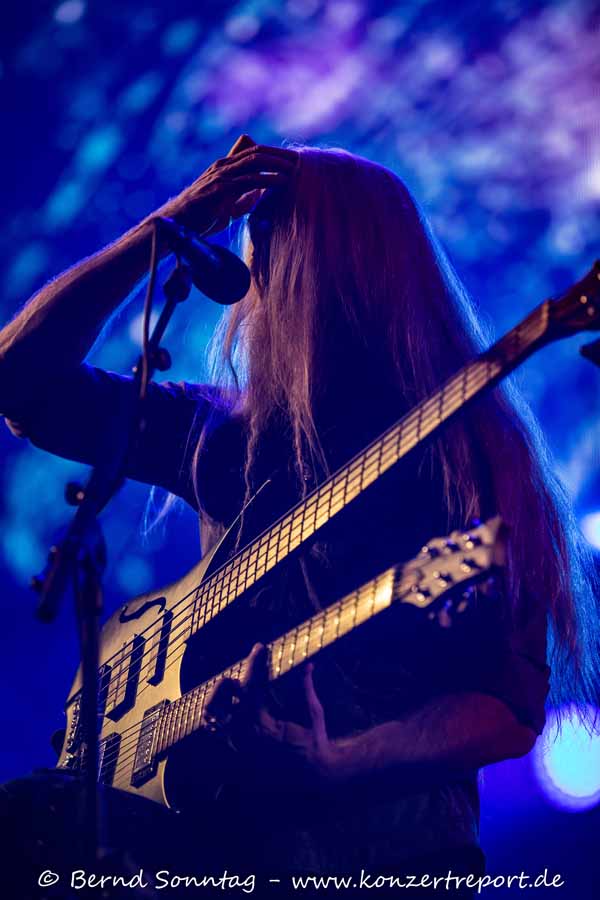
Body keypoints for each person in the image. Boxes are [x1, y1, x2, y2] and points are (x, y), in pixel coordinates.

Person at [0, 134, 598, 898]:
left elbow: (507, 709)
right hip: (214, 837)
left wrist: (336, 764)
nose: (257, 285)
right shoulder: (224, 432)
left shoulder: (470, 450)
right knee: (27, 822)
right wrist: (168, 227)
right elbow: (20, 383)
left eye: (276, 248)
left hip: (389, 863)